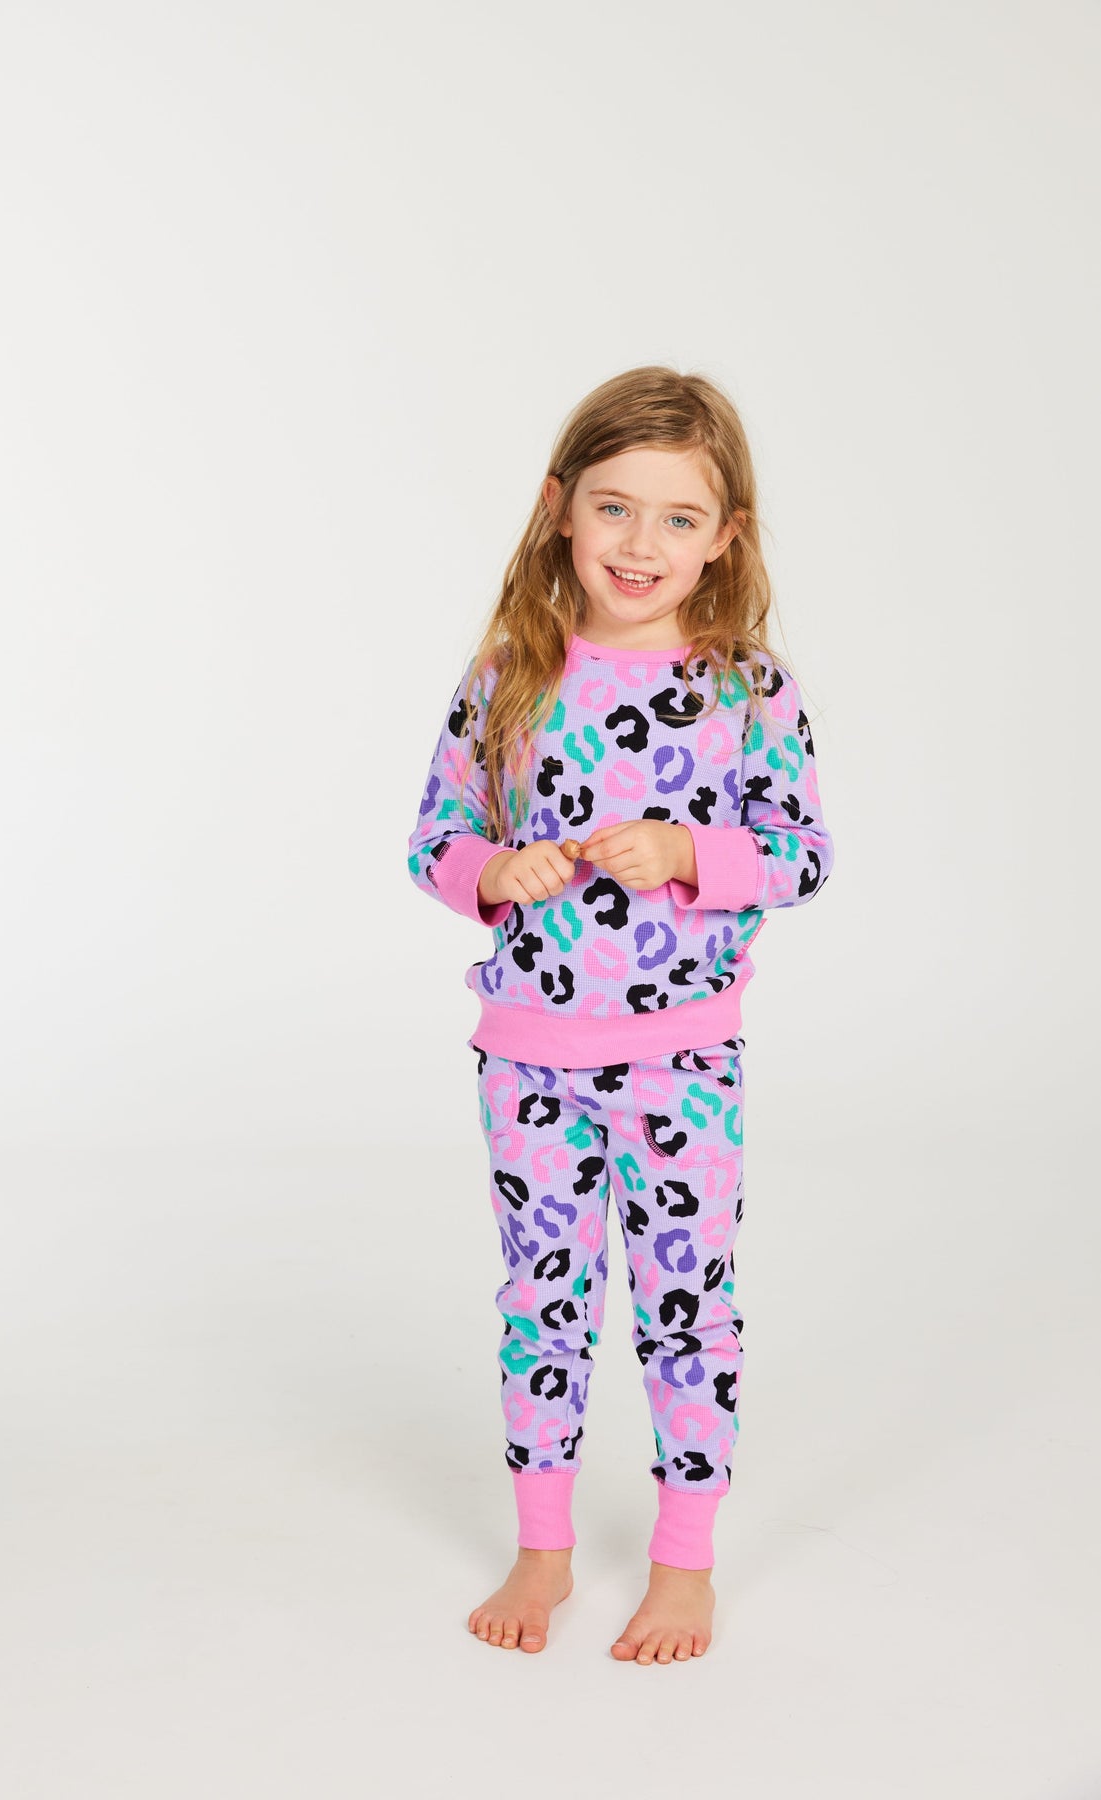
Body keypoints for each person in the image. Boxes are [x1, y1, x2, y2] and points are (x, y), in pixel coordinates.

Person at [406, 364, 835, 1664]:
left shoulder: (747, 691)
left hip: (682, 1062)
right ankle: (541, 1549)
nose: (640, 543)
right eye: (614, 507)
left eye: (677, 517)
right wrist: (496, 872)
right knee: (543, 1299)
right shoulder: (510, 676)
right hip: (528, 1061)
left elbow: (801, 854)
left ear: (725, 538)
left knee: (684, 1302)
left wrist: (693, 853)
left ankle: (683, 1562)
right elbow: (436, 838)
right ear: (559, 508)